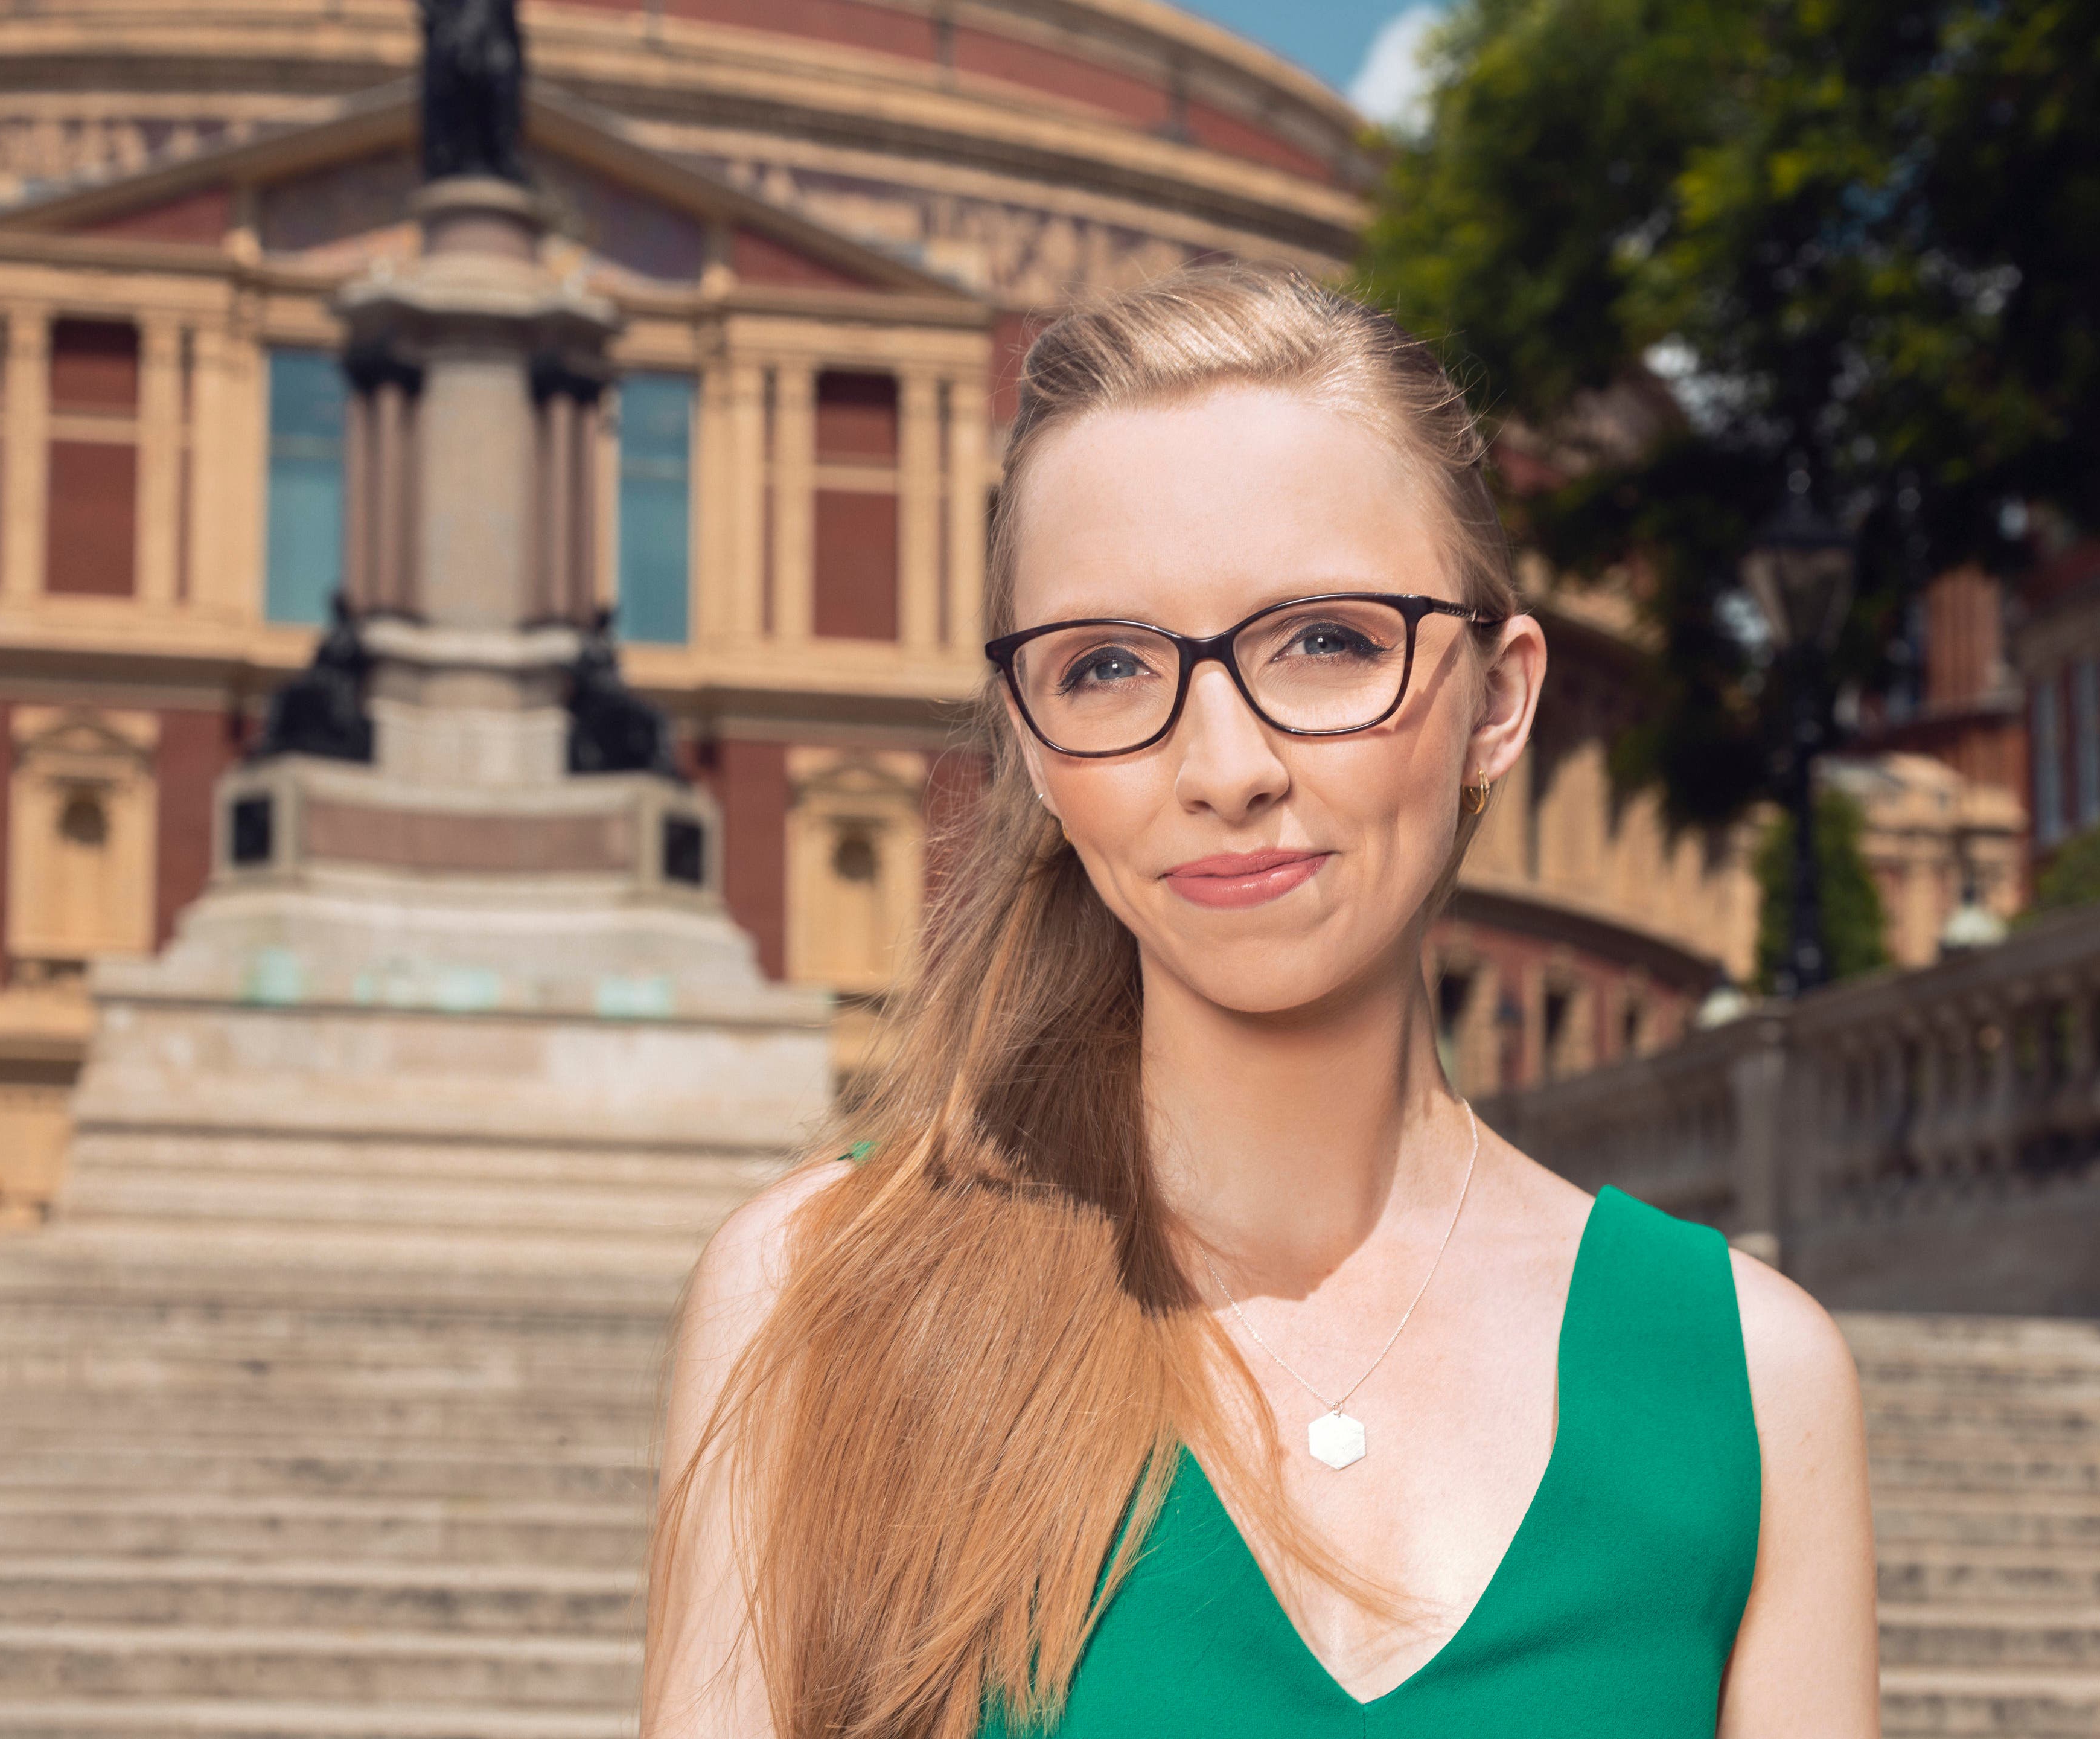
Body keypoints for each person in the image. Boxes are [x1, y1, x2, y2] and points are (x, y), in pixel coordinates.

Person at [642, 264, 1878, 1739]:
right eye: (1105, 666)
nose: (1223, 765)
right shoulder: (815, 1297)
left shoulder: (1746, 1377)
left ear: (1498, 700)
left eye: (1326, 643)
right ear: (1036, 747)